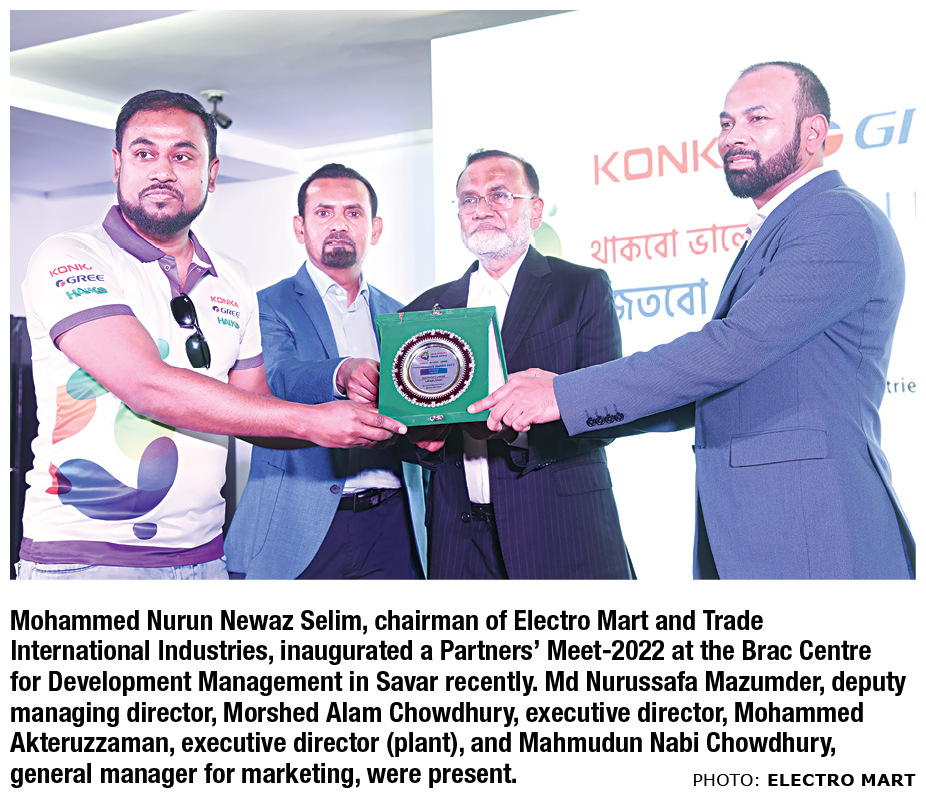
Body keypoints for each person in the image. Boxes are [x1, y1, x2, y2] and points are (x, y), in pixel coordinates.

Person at [473, 63, 915, 580]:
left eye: (757, 118)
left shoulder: (836, 217)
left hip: (815, 529)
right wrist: (563, 404)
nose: (734, 136)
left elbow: (732, 349)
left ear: (814, 132)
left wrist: (563, 395)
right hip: (757, 531)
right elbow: (709, 388)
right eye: (726, 123)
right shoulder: (781, 227)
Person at [18, 91, 405, 581]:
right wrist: (314, 422)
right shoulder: (71, 255)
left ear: (212, 173)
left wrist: (365, 426)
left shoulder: (232, 279)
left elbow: (255, 409)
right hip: (85, 561)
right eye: (144, 153)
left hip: (204, 559)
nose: (163, 171)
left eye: (183, 157)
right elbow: (147, 386)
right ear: (118, 164)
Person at [404, 149, 633, 579]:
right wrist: (421, 441)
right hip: (458, 539)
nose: (482, 209)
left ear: (536, 211)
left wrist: (520, 428)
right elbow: (408, 428)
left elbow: (607, 412)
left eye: (500, 195)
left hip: (560, 528)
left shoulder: (581, 287)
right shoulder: (423, 310)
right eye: (469, 199)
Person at [225, 164, 426, 579]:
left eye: (353, 212)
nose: (338, 224)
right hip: (298, 524)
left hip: (392, 523)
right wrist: (341, 373)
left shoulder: (402, 315)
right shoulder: (265, 305)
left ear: (375, 228)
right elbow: (276, 378)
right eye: (323, 212)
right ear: (300, 228)